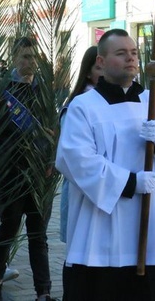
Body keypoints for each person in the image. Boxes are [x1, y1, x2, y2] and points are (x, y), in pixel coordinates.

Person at [56, 29, 155, 301]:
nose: (130, 59)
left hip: (154, 222)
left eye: (133, 53)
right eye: (121, 53)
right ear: (101, 61)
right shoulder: (84, 106)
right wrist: (130, 182)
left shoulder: (153, 102)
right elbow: (74, 158)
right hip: (102, 225)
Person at [0, 37, 55, 301]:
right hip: (12, 172)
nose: (30, 62)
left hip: (39, 173)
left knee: (38, 235)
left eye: (33, 57)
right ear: (14, 57)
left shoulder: (45, 91)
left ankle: (44, 291)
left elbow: (54, 129)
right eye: (25, 56)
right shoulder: (2, 90)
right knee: (9, 229)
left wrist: (50, 155)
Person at [58, 45, 102, 243]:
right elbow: (71, 159)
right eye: (99, 68)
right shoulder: (78, 106)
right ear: (88, 73)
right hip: (83, 190)